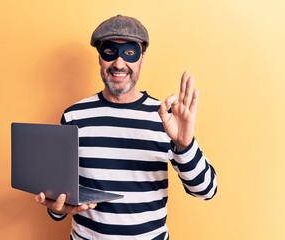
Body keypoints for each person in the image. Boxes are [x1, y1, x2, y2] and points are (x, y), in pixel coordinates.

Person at [35, 14, 217, 239]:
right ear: (100, 59)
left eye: (129, 53)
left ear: (142, 58)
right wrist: (56, 210)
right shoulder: (74, 116)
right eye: (109, 52)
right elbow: (61, 197)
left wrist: (184, 144)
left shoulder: (165, 117)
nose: (119, 64)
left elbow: (206, 191)